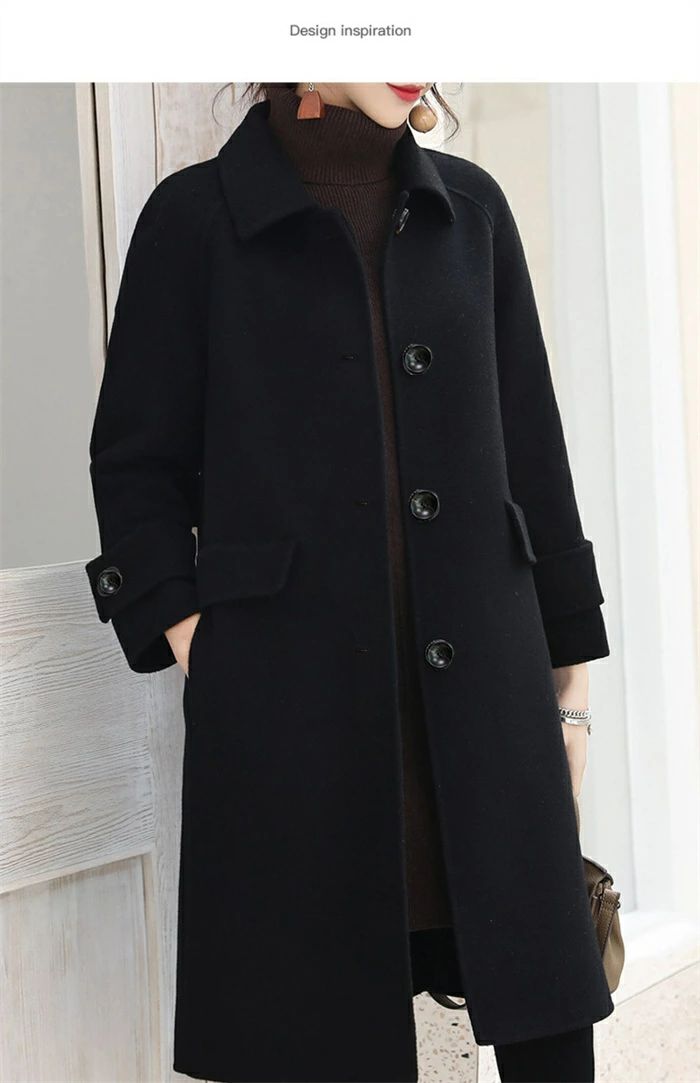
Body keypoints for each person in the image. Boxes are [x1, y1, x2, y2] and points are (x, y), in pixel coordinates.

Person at [85, 82, 614, 1083]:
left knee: (545, 1027)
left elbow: (537, 463)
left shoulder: (472, 209)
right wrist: (196, 639)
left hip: (491, 709)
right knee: (309, 1032)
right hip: (293, 716)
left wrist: (572, 693)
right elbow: (134, 463)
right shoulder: (194, 221)